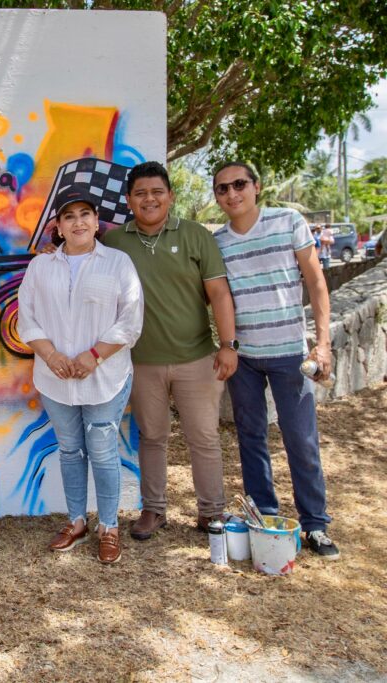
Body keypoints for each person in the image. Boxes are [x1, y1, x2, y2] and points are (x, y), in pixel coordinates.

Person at [101, 162, 238, 540]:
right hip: (141, 362)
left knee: (204, 438)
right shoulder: (113, 242)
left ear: (171, 196)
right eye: (141, 193)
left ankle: (211, 513)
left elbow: (219, 293)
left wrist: (228, 345)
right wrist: (52, 247)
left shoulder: (196, 236)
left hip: (197, 358)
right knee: (152, 437)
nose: (149, 199)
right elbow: (80, 258)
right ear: (129, 200)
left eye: (157, 192)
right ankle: (153, 510)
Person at [211, 161, 340, 559]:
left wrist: (323, 343)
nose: (232, 194)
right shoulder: (217, 242)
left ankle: (315, 524)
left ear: (256, 186)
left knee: (300, 439)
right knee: (250, 438)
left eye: (239, 184)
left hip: (289, 353)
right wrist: (228, 345)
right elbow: (218, 297)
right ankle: (264, 516)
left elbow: (316, 281)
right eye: (222, 189)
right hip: (244, 358)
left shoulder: (288, 221)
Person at [18, 186, 144, 564]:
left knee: (103, 451)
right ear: (57, 227)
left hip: (105, 376)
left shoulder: (118, 263)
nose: (78, 222)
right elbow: (27, 317)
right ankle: (76, 521)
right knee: (70, 450)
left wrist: (94, 356)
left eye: (85, 214)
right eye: (69, 216)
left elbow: (131, 319)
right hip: (55, 377)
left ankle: (109, 526)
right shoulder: (40, 266)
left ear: (96, 222)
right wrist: (52, 355)